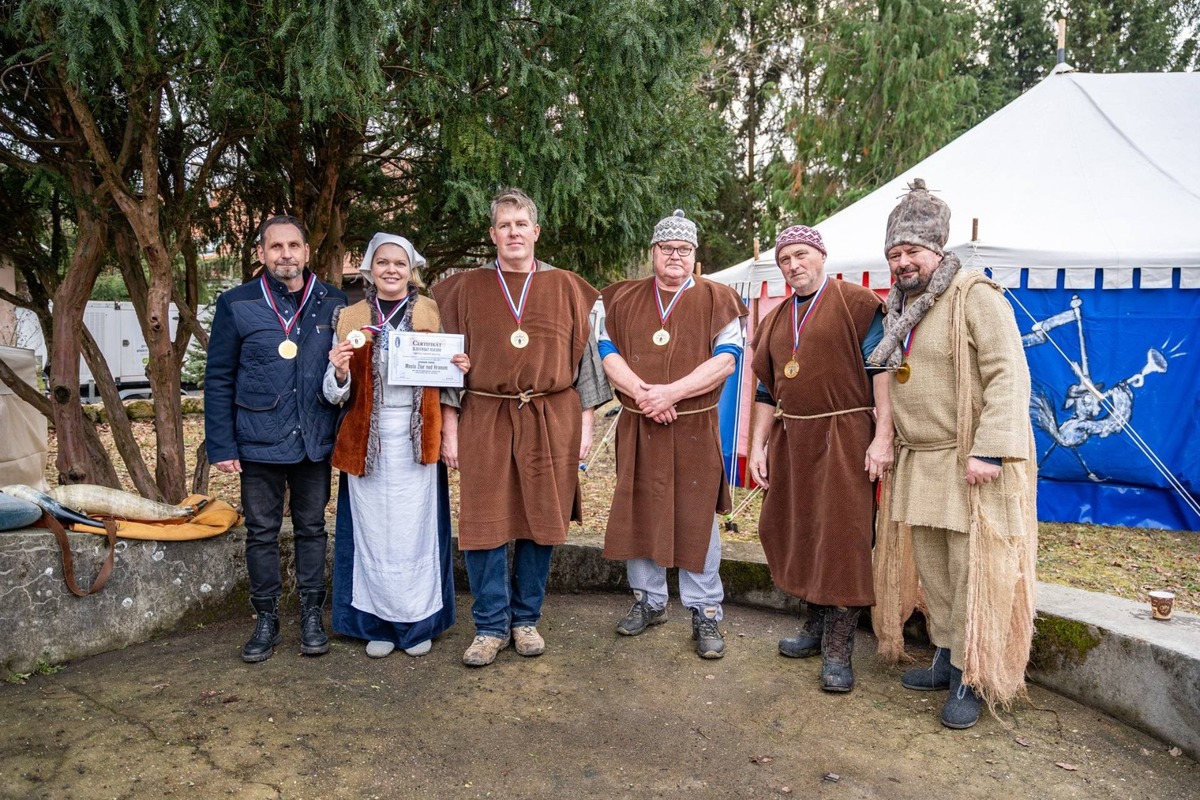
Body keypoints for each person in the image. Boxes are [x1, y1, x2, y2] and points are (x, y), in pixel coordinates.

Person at [869, 179, 1037, 729]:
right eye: (894, 253)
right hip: (921, 458)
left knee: (972, 570)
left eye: (912, 251)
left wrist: (990, 450)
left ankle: (972, 672)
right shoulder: (900, 307)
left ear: (937, 250)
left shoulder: (974, 295)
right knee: (935, 568)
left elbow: (1008, 373)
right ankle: (945, 655)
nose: (902, 262)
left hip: (970, 461)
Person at [433, 188, 610, 667]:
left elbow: (587, 365)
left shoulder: (569, 287)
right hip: (485, 413)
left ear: (536, 231)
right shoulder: (462, 289)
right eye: (504, 225)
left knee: (541, 518)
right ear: (493, 234)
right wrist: (449, 427)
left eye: (521, 224)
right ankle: (490, 625)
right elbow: (447, 366)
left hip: (551, 415)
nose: (513, 232)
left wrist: (586, 426)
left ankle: (525, 619)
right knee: (484, 522)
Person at [746, 225, 893, 692]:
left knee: (844, 536)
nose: (793, 265)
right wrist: (757, 445)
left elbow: (882, 370)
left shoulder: (857, 304)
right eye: (785, 259)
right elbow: (766, 390)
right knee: (801, 528)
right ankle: (814, 625)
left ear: (821, 256)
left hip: (846, 434)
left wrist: (883, 436)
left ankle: (838, 647)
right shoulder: (775, 319)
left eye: (801, 254)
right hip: (794, 438)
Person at [597, 210, 748, 659]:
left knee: (697, 515)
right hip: (639, 422)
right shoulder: (622, 297)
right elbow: (606, 351)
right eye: (667, 248)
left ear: (694, 253)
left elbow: (727, 359)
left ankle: (705, 610)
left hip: (694, 425)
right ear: (653, 251)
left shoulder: (718, 298)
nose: (675, 256)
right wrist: (644, 394)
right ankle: (649, 600)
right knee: (640, 508)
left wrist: (670, 394)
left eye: (684, 249)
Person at [205, 215, 347, 663]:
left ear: (307, 252)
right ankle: (265, 619)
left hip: (313, 438)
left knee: (312, 528)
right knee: (261, 533)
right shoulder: (237, 303)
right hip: (258, 439)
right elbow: (219, 377)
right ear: (262, 254)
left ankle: (311, 615)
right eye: (276, 247)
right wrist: (222, 444)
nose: (286, 254)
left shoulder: (334, 302)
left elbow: (347, 371)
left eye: (293, 246)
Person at [323, 233, 469, 659]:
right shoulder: (349, 317)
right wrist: (339, 371)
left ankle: (416, 622)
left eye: (399, 263)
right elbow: (333, 394)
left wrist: (459, 367)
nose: (391, 270)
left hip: (417, 435)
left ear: (411, 270)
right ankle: (376, 624)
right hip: (366, 439)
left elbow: (447, 382)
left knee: (414, 532)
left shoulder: (431, 312)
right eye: (383, 262)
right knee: (372, 533)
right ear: (370, 268)